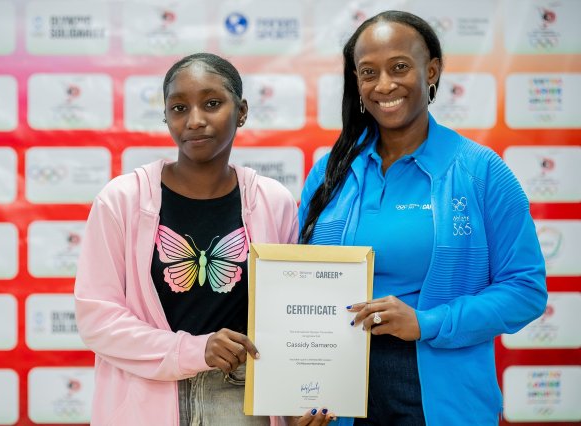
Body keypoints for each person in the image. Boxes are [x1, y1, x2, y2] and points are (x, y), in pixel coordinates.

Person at [298, 10, 547, 426]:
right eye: (368, 72)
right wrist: (296, 387)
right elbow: (298, 285)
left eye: (399, 67)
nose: (384, 85)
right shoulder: (329, 172)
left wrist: (427, 322)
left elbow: (525, 289)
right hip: (336, 391)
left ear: (431, 71)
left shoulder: (480, 171)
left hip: (439, 395)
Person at [74, 53, 300, 425]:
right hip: (144, 399)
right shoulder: (122, 200)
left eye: (212, 104)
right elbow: (98, 318)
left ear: (242, 111)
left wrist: (302, 398)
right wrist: (196, 350)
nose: (194, 120)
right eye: (179, 108)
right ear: (166, 116)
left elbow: (289, 315)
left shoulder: (273, 201)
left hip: (241, 396)